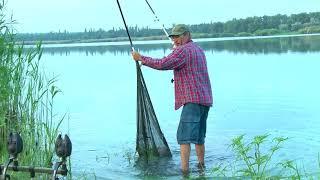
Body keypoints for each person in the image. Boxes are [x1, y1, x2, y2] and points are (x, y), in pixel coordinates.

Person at [132, 24, 213, 175]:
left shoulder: (183, 51)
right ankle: (201, 167)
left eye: (179, 36)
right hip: (205, 99)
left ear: (187, 35)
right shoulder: (197, 48)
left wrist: (141, 58)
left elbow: (163, 64)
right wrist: (176, 49)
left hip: (192, 101)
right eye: (173, 37)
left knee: (184, 137)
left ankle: (184, 171)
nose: (175, 39)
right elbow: (179, 61)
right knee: (199, 137)